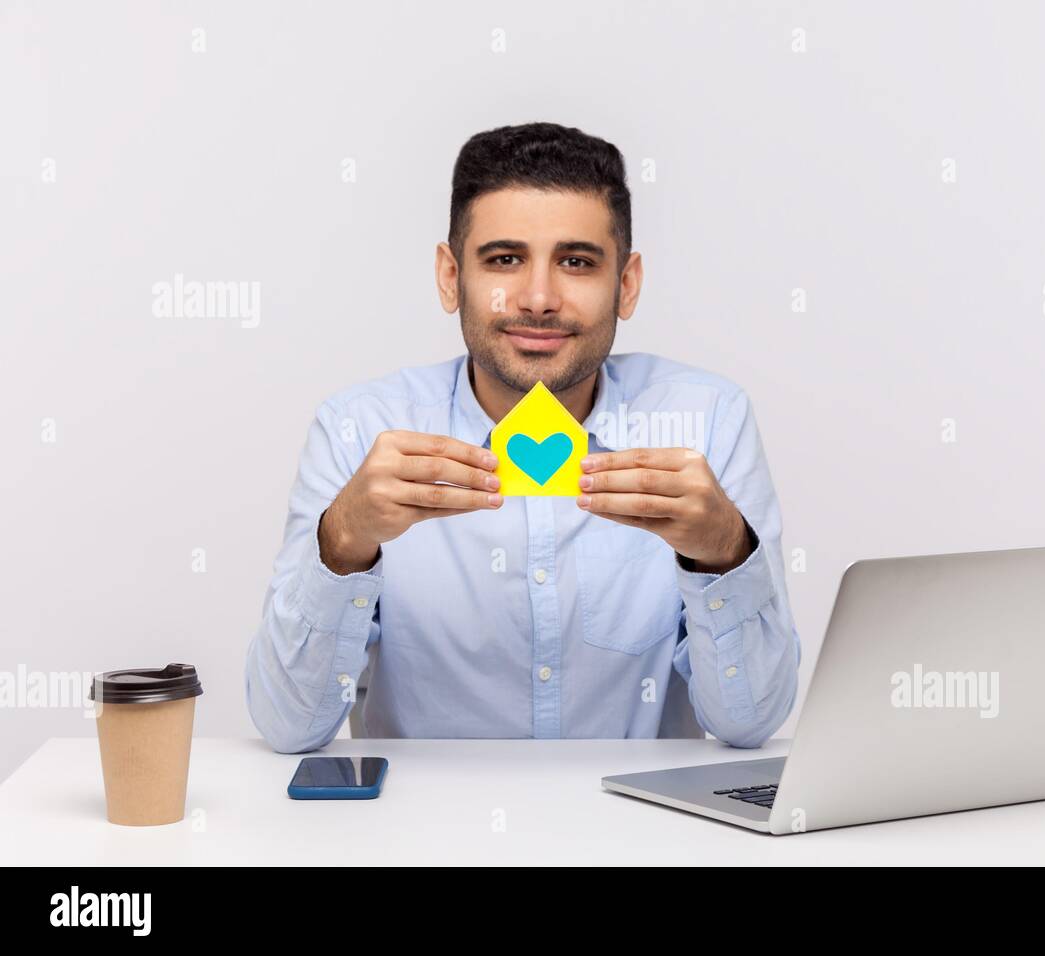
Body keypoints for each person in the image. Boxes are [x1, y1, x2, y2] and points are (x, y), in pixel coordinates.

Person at [245, 122, 800, 752]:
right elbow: (289, 729)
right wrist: (341, 539)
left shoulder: (707, 423)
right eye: (505, 259)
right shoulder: (358, 430)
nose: (538, 299)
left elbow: (750, 723)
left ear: (626, 283)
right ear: (451, 277)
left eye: (577, 262)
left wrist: (725, 549)